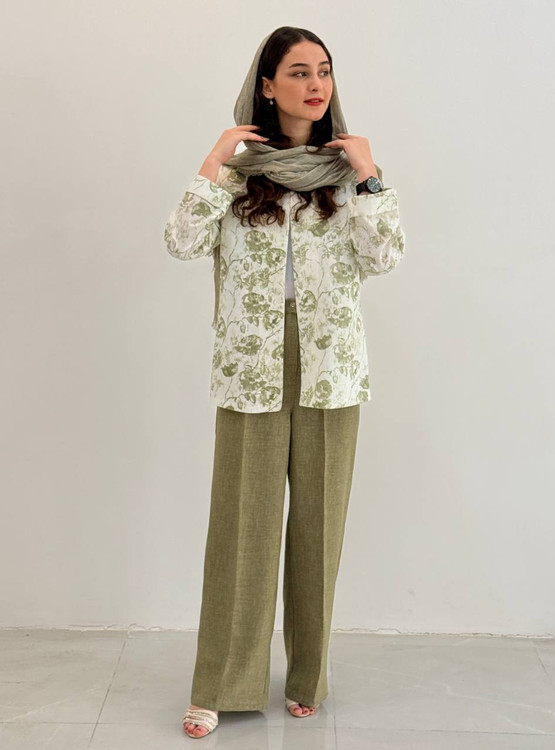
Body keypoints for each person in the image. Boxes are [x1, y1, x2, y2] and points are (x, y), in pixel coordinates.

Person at [164, 25, 406, 739]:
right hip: (251, 366)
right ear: (266, 86)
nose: (315, 84)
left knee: (317, 530)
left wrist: (370, 175)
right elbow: (181, 242)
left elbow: (385, 258)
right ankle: (221, 684)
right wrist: (212, 162)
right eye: (298, 72)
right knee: (242, 529)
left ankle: (308, 678)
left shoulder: (347, 174)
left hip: (332, 366)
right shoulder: (239, 175)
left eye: (323, 70)